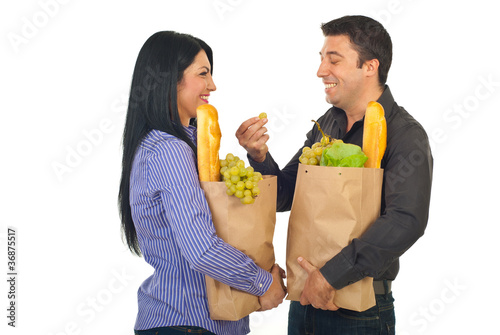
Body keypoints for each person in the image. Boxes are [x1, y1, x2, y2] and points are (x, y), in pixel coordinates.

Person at [236, 15, 433, 334]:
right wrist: (259, 157)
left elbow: (405, 220)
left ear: (370, 66)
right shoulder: (327, 124)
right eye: (321, 58)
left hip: (360, 311)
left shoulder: (405, 134)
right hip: (305, 301)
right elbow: (287, 193)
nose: (321, 71)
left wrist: (330, 276)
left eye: (334, 59)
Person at [118, 31, 286, 335]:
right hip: (187, 324)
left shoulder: (175, 146)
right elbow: (201, 249)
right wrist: (263, 283)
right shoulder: (170, 150)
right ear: (170, 78)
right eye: (203, 74)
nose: (212, 85)